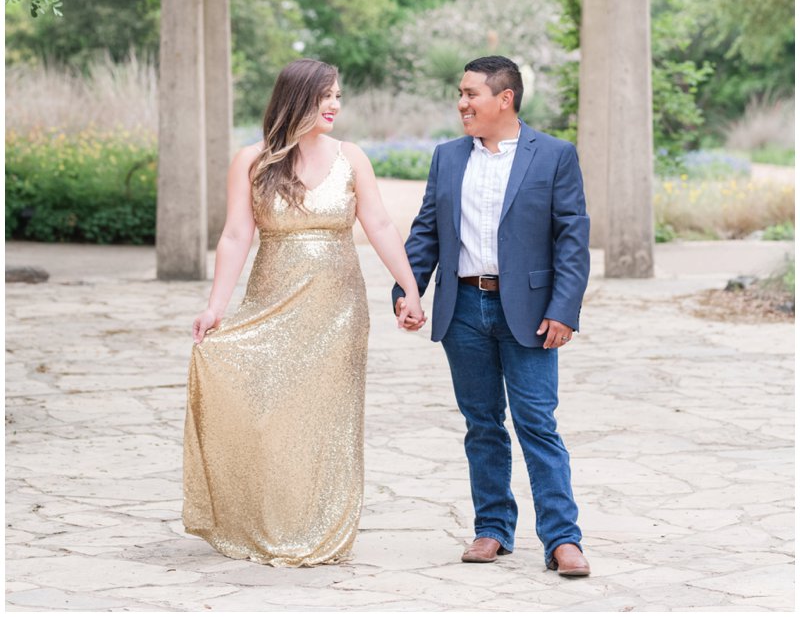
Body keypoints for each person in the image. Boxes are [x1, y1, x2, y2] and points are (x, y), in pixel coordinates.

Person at [183, 58, 425, 567]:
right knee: (269, 415)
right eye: (325, 96)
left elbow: (379, 223)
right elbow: (235, 236)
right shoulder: (253, 160)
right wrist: (215, 306)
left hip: (338, 310)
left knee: (329, 419)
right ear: (298, 99)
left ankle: (322, 527)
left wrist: (410, 288)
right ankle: (264, 519)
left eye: (338, 94)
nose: (335, 104)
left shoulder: (352, 157)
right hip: (271, 302)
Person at [392, 55, 591, 576]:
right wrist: (407, 290)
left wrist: (564, 309)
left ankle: (562, 540)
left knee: (536, 425)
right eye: (460, 93)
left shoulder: (553, 155)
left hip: (528, 313)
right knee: (482, 425)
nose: (462, 103)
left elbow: (572, 240)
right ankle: (492, 529)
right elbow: (426, 232)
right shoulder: (447, 157)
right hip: (463, 309)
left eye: (471, 94)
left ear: (504, 98)